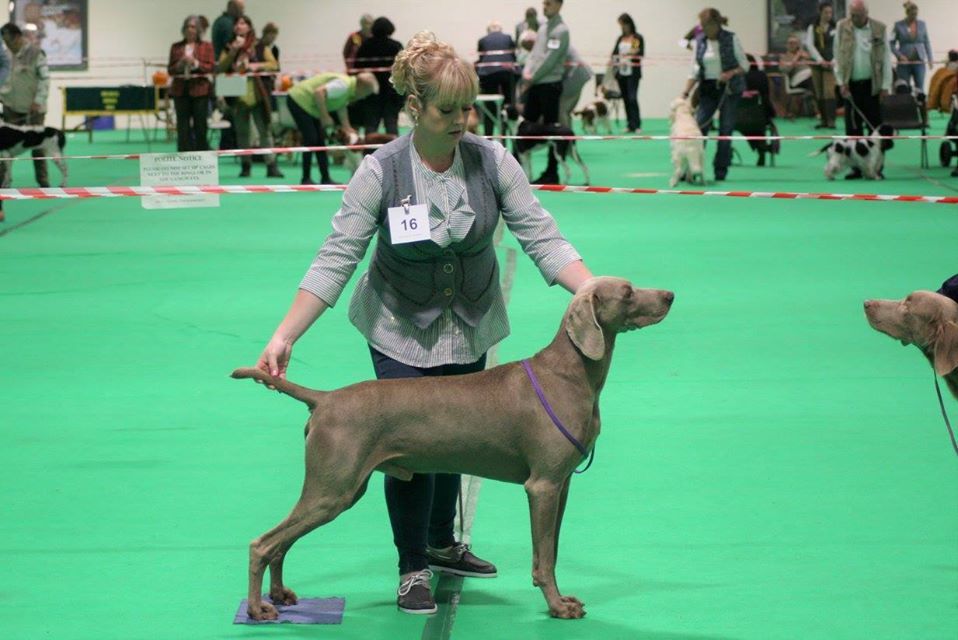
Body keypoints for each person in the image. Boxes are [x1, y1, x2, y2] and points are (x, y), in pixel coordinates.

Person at [252, 30, 593, 615]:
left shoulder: (492, 161)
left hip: (470, 319)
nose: (461, 120)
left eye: (468, 108)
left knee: (460, 435)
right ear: (415, 106)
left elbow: (542, 236)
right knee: (405, 445)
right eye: (447, 109)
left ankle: (441, 542)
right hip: (399, 324)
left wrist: (588, 288)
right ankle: (412, 565)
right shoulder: (380, 171)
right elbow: (337, 257)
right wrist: (285, 335)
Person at [681, 8, 748, 182]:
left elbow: (745, 65)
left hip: (729, 89)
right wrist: (685, 93)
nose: (703, 29)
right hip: (707, 88)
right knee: (699, 128)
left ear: (716, 24)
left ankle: (721, 169)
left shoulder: (731, 38)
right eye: (702, 25)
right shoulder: (699, 41)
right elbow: (694, 70)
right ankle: (692, 167)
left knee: (725, 129)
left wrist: (730, 73)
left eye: (706, 25)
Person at [217, 15, 284, 178]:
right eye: (237, 23)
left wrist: (255, 66)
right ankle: (245, 165)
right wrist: (233, 52)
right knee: (242, 133)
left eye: (243, 23)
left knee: (264, 131)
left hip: (258, 94)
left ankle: (271, 165)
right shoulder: (228, 47)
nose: (239, 26)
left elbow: (274, 64)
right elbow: (220, 68)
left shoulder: (260, 46)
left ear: (249, 26)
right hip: (236, 94)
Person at [834, 0, 892, 178]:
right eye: (852, 15)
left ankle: (876, 168)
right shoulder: (842, 27)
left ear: (866, 13)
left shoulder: (879, 29)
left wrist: (885, 86)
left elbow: (886, 58)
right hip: (851, 85)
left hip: (872, 86)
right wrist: (841, 82)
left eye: (857, 15)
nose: (854, 18)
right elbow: (837, 56)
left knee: (875, 129)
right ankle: (857, 168)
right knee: (853, 129)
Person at [286, 71, 379, 184]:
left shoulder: (348, 89)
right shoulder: (343, 85)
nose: (364, 97)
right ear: (361, 88)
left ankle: (325, 178)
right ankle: (305, 178)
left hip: (309, 105)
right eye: (366, 93)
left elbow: (341, 107)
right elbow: (319, 93)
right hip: (299, 100)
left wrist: (347, 127)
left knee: (320, 142)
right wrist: (325, 116)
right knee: (311, 139)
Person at [521, 0, 570, 184]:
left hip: (550, 85)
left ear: (559, 5)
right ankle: (518, 172)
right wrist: (526, 72)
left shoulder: (561, 31)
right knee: (525, 127)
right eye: (544, 3)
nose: (545, 6)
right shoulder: (542, 28)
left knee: (552, 129)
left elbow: (550, 60)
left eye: (549, 3)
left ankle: (551, 172)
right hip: (535, 84)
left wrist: (532, 76)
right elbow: (534, 55)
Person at [0, 22, 51, 187]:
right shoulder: (5, 56)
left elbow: (45, 79)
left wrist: (38, 101)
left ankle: (43, 182)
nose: (6, 45)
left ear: (18, 37)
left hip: (33, 110)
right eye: (4, 42)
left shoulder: (36, 53)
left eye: (8, 41)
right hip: (11, 109)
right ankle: (3, 183)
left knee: (38, 146)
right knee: (5, 147)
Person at [168, 15, 215, 152]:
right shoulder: (176, 47)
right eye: (187, 26)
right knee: (182, 126)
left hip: (200, 90)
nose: (190, 29)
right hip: (180, 91)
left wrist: (195, 63)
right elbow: (170, 70)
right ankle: (184, 154)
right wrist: (180, 64)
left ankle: (202, 153)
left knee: (200, 125)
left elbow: (211, 67)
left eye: (193, 27)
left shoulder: (206, 46)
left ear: (198, 30)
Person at [354, 17, 403, 135]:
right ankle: (395, 147)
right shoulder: (396, 46)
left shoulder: (365, 45)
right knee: (391, 123)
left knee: (371, 124)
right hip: (391, 90)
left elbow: (357, 67)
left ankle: (369, 146)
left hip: (370, 92)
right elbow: (402, 68)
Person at [476, 21, 516, 135]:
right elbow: (513, 57)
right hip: (506, 73)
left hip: (488, 74)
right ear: (500, 29)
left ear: (488, 31)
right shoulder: (508, 38)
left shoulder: (482, 40)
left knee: (489, 105)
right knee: (507, 105)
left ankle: (488, 134)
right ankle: (505, 133)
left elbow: (481, 58)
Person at [610, 13, 644, 133]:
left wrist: (629, 54)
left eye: (623, 24)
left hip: (632, 73)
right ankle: (630, 124)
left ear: (629, 24)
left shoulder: (636, 37)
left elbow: (637, 51)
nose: (622, 27)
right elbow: (614, 53)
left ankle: (637, 124)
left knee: (632, 98)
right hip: (621, 73)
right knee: (625, 99)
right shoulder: (620, 38)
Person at [805, 2, 837, 128]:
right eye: (826, 12)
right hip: (817, 64)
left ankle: (831, 121)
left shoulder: (836, 28)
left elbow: (839, 45)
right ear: (820, 13)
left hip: (831, 64)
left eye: (830, 12)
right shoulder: (812, 27)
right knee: (819, 92)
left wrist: (833, 60)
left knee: (829, 92)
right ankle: (823, 120)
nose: (828, 15)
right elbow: (809, 45)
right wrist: (819, 60)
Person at [890, 1, 933, 94]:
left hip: (919, 62)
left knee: (920, 89)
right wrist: (899, 56)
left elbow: (927, 42)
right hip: (904, 63)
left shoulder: (922, 24)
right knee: (903, 89)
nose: (914, 17)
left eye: (916, 14)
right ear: (907, 13)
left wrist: (930, 59)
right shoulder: (898, 25)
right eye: (912, 14)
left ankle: (920, 102)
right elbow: (891, 44)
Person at [778, 33, 814, 118]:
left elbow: (815, 63)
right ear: (786, 45)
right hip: (796, 80)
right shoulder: (784, 57)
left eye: (795, 43)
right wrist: (796, 57)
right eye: (790, 43)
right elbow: (784, 70)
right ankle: (818, 111)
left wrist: (809, 58)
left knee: (819, 82)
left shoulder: (804, 54)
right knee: (813, 83)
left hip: (809, 75)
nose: (792, 45)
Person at [558, 46, 592, 128]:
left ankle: (565, 134)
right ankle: (568, 133)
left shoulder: (553, 45)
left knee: (561, 110)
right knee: (566, 111)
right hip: (579, 76)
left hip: (574, 77)